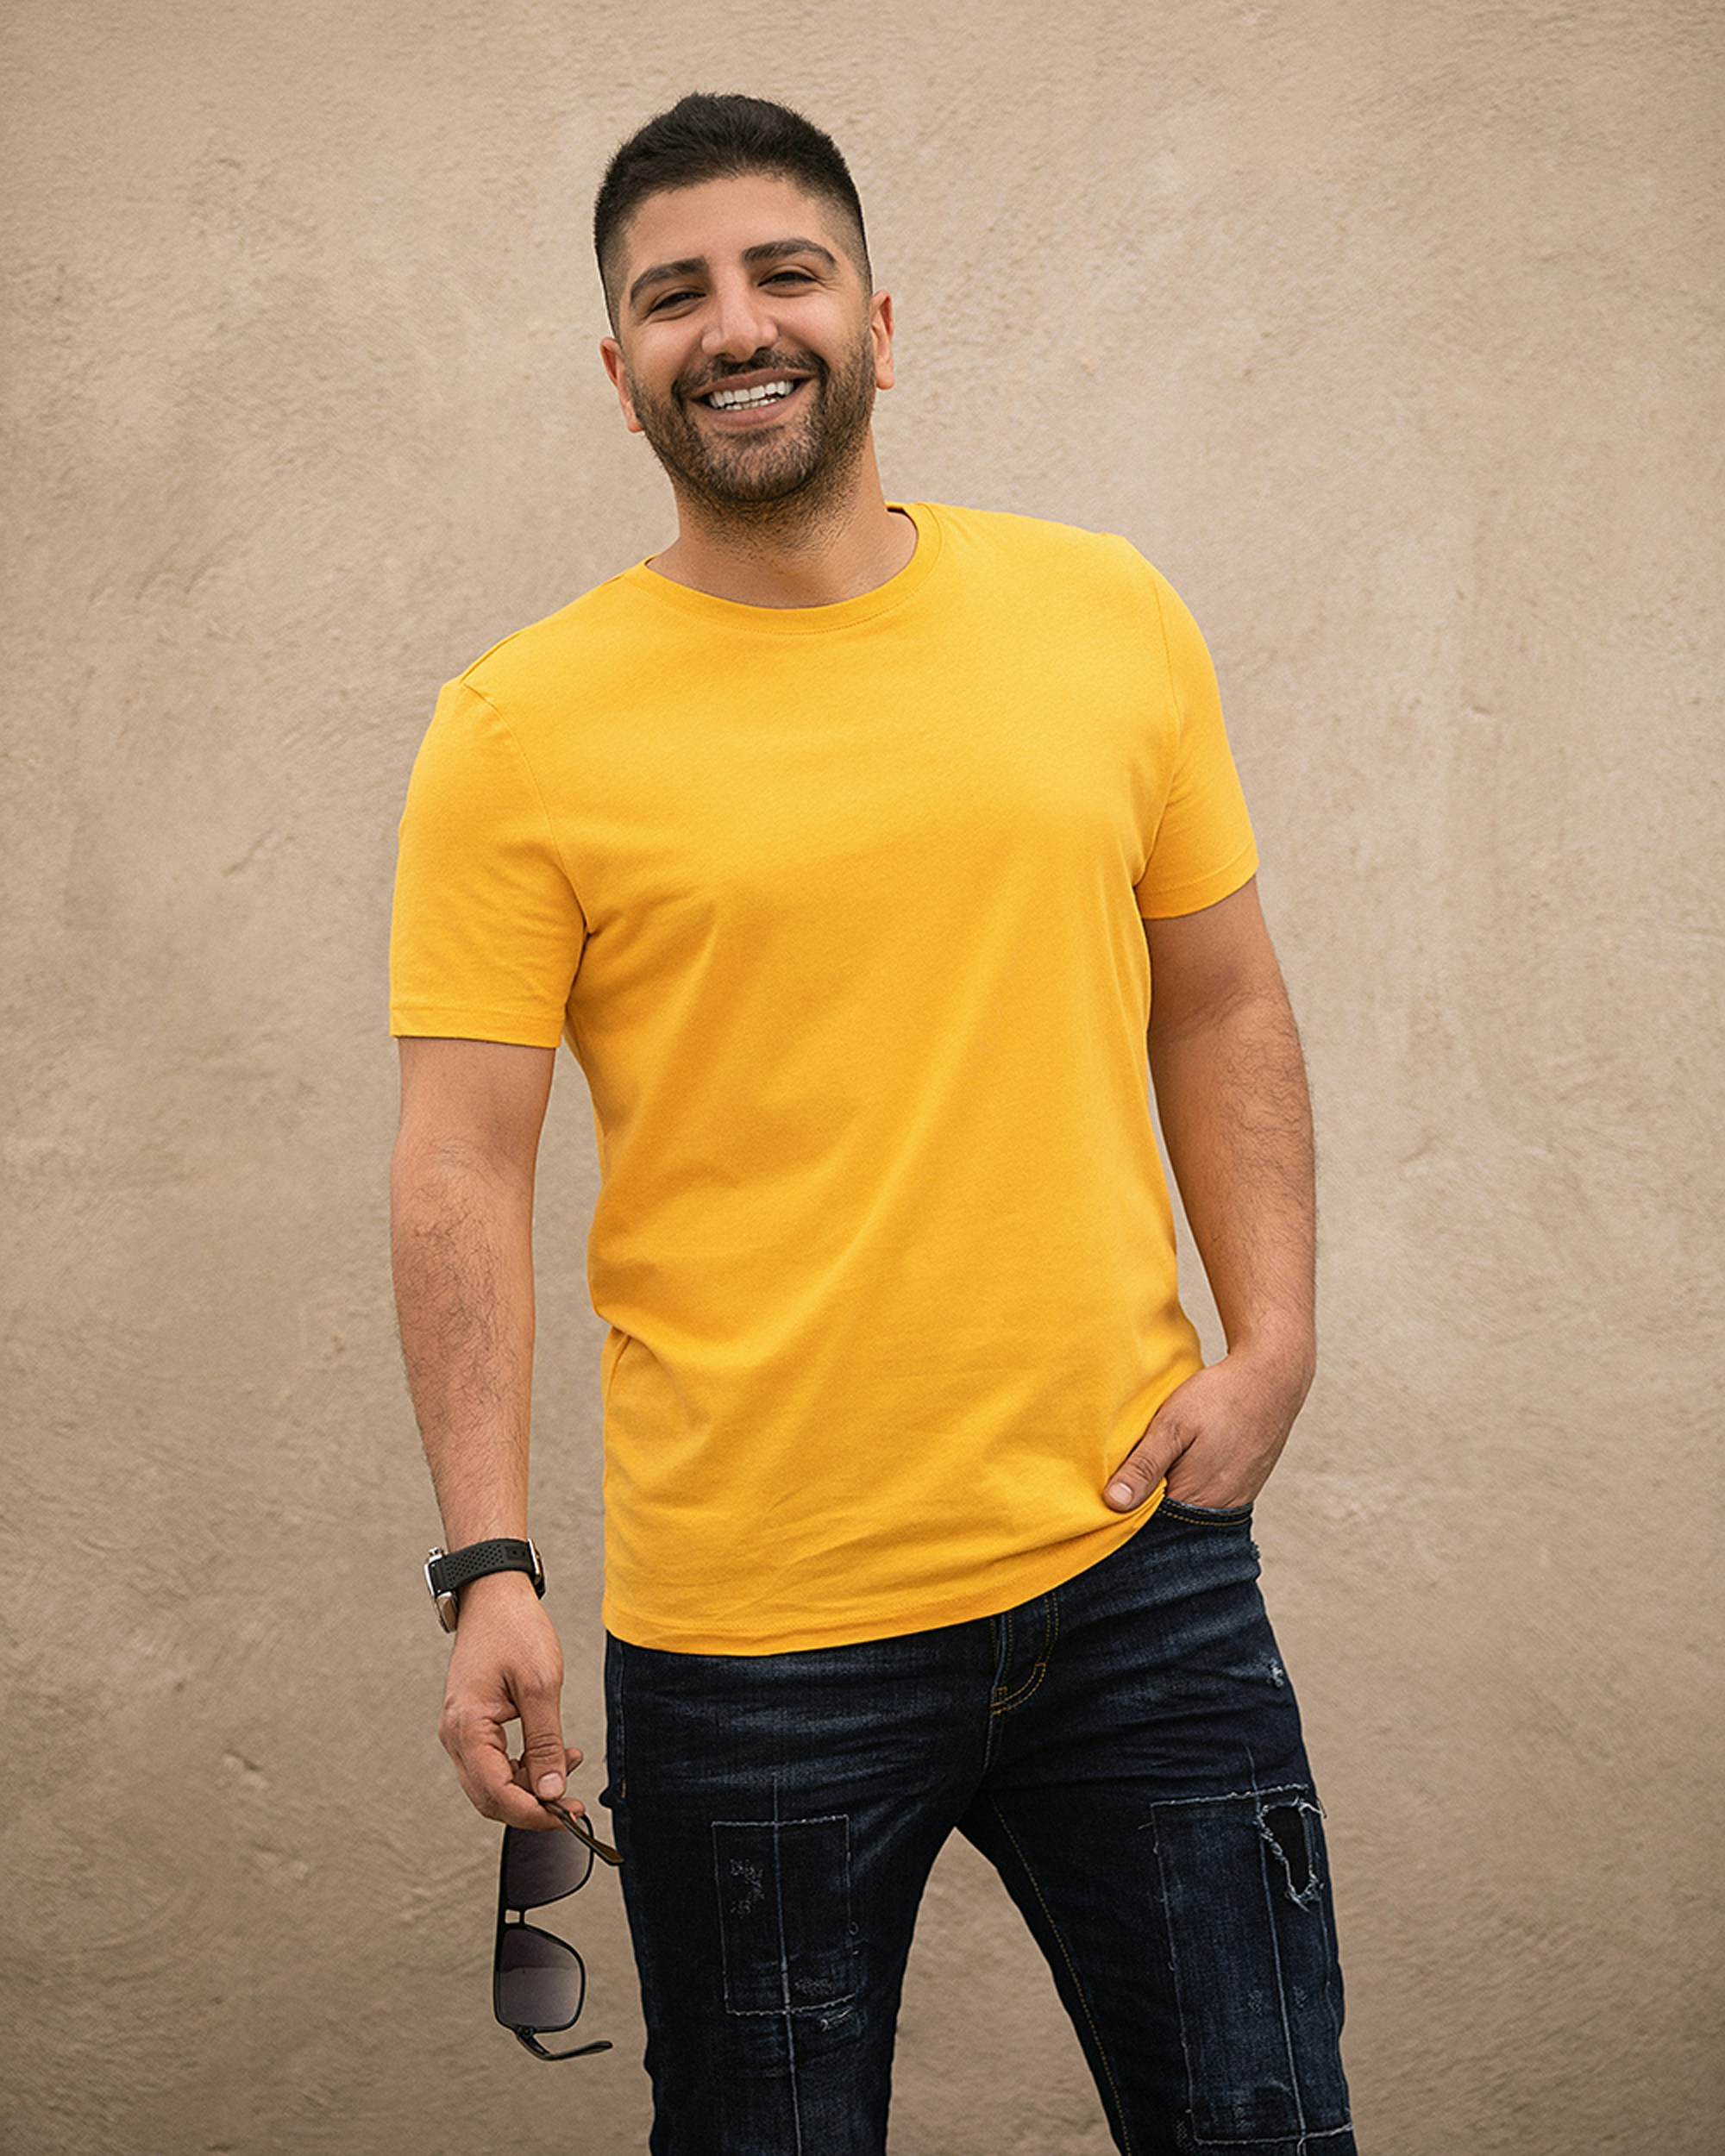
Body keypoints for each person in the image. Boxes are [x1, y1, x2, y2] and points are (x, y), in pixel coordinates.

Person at [390, 91, 1353, 2156]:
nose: (736, 325)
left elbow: (1224, 991)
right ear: (621, 365)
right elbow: (465, 1155)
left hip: (1136, 1574)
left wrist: (1269, 1335)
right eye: (676, 295)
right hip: (758, 1628)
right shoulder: (517, 727)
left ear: (880, 320)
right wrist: (486, 1559)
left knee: (1268, 2126)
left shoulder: (1105, 614)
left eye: (782, 271)